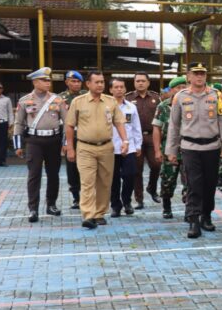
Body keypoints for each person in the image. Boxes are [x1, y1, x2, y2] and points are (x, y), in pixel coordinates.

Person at [166, 62, 222, 238]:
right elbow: (173, 125)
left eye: (202, 73)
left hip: (212, 147)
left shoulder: (215, 95)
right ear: (188, 76)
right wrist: (171, 150)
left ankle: (206, 216)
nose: (199, 76)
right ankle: (193, 220)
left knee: (210, 184)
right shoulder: (180, 97)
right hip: (190, 147)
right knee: (194, 184)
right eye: (195, 73)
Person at [65, 71, 129, 229]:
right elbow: (69, 125)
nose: (100, 85)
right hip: (85, 147)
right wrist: (70, 148)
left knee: (104, 182)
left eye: (102, 82)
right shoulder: (78, 102)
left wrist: (125, 140)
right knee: (87, 182)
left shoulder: (110, 101)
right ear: (88, 84)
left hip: (106, 147)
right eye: (97, 82)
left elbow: (119, 122)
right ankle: (88, 215)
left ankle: (100, 213)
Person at [13, 68, 66, 222]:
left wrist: (66, 143)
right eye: (44, 80)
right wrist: (18, 145)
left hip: (54, 140)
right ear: (35, 82)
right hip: (34, 141)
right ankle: (33, 209)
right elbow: (19, 123)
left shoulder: (58, 100)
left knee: (53, 174)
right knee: (34, 175)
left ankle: (51, 205)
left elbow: (68, 122)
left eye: (49, 80)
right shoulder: (25, 100)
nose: (48, 82)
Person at [125, 72, 161, 208]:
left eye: (143, 81)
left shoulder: (156, 98)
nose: (140, 83)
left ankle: (152, 188)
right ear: (134, 83)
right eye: (137, 81)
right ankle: (139, 199)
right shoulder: (127, 98)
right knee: (137, 169)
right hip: (135, 138)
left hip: (152, 136)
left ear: (148, 83)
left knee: (156, 164)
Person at [153, 76, 187, 219]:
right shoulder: (163, 106)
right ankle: (166, 207)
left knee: (190, 181)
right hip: (169, 149)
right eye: (178, 88)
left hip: (188, 149)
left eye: (183, 87)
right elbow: (157, 128)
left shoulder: (190, 104)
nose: (181, 90)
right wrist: (157, 150)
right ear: (172, 90)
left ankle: (190, 210)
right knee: (168, 180)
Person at [110, 78, 144, 217]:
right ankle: (115, 206)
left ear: (125, 89)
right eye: (116, 87)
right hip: (111, 148)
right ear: (111, 90)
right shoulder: (106, 106)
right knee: (114, 179)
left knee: (130, 175)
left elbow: (136, 127)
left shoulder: (131, 107)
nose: (119, 89)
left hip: (128, 147)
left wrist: (138, 145)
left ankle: (127, 201)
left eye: (121, 87)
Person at [59, 71, 87, 208]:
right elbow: (61, 123)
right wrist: (65, 142)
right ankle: (76, 197)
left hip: (86, 136)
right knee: (72, 168)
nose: (76, 84)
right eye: (73, 81)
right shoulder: (60, 99)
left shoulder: (87, 96)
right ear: (66, 82)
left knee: (87, 167)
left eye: (78, 82)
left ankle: (87, 196)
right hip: (71, 137)